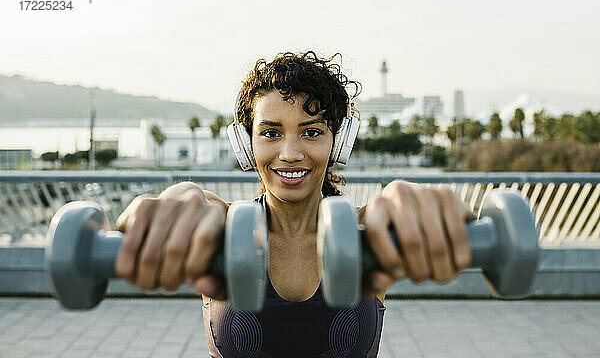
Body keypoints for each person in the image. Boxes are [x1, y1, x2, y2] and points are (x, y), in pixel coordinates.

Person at [114, 51, 472, 358]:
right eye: (270, 133)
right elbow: (193, 204)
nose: (291, 153)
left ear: (339, 144)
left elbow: (396, 208)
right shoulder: (223, 229)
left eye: (312, 132)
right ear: (245, 144)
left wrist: (414, 199)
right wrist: (180, 196)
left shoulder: (368, 232)